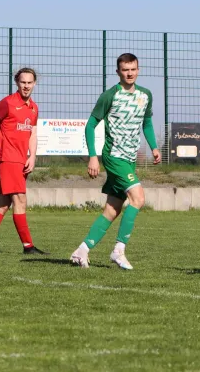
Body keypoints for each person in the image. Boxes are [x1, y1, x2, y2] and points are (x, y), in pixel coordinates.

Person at [70, 53, 161, 270]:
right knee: (138, 198)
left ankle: (81, 250)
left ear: (138, 70)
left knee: (112, 209)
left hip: (129, 159)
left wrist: (154, 146)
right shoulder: (110, 95)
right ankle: (118, 251)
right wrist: (93, 156)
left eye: (133, 69)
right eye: (125, 70)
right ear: (118, 71)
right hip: (114, 156)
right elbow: (90, 125)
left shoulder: (145, 95)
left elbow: (146, 122)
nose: (129, 73)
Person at [0, 67, 48, 255]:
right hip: (8, 158)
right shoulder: (7, 103)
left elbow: (33, 134)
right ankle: (28, 246)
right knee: (20, 199)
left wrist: (32, 156)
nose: (26, 86)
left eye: (29, 82)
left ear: (35, 83)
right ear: (17, 83)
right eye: (23, 82)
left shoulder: (34, 108)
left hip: (22, 161)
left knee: (3, 203)